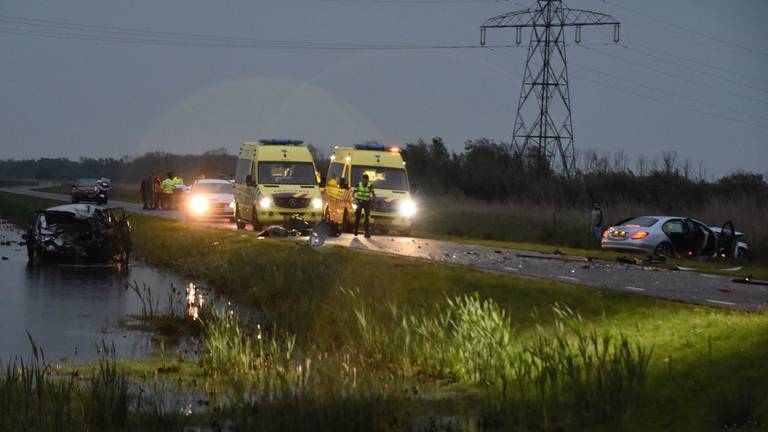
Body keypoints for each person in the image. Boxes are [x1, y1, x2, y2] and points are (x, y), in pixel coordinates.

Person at [353, 174, 375, 238]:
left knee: (367, 217)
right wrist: (355, 200)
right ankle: (356, 229)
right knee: (358, 216)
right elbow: (354, 192)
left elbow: (373, 193)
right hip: (359, 202)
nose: (365, 181)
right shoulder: (358, 184)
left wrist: (373, 201)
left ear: (368, 180)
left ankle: (366, 231)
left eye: (366, 180)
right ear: (362, 179)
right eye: (364, 180)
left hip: (367, 202)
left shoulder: (370, 185)